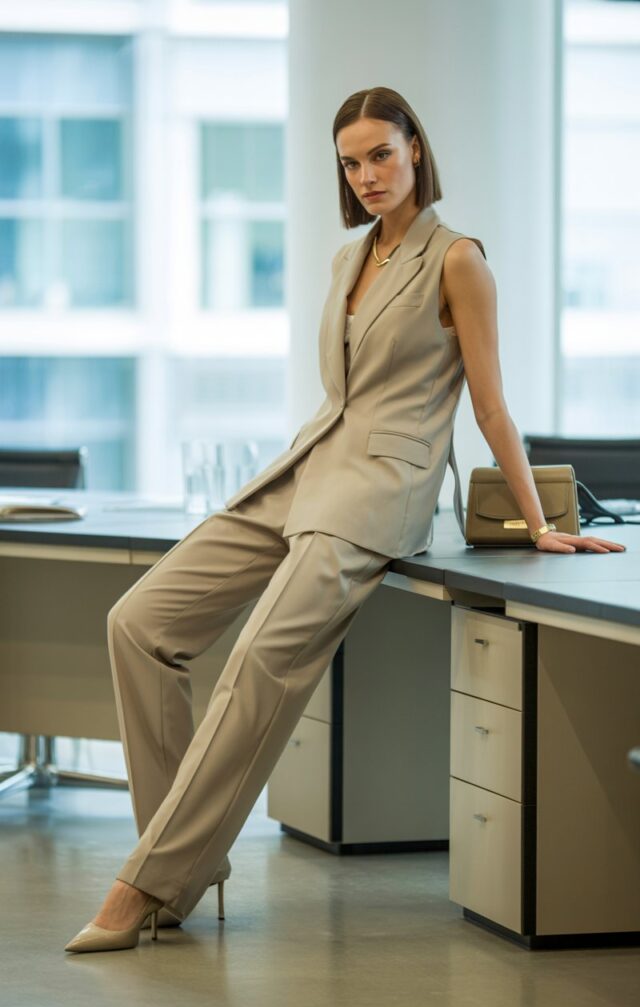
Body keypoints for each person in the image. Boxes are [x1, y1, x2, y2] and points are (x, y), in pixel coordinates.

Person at [64, 86, 625, 954]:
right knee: (138, 622)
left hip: (381, 491)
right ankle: (182, 857)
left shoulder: (458, 259)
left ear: (416, 151)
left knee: (258, 659)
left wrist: (538, 521)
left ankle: (147, 882)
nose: (367, 175)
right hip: (310, 466)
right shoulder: (348, 259)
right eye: (351, 161)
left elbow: (492, 406)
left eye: (382, 155)